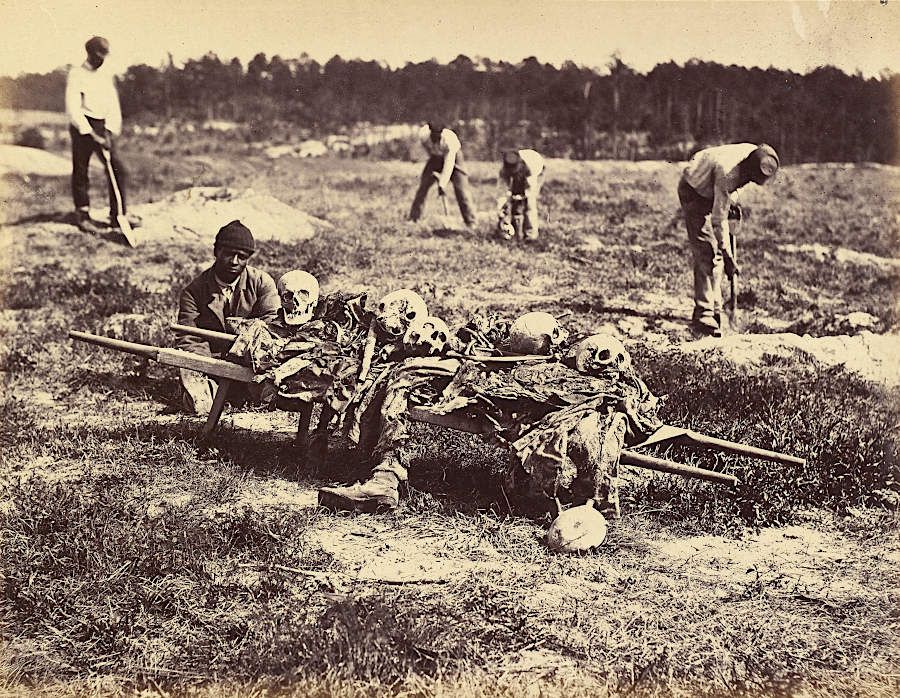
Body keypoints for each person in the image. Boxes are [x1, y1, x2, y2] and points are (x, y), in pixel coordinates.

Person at [175, 220, 280, 415]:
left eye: (241, 256)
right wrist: (215, 368)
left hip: (251, 363)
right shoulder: (194, 291)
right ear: (216, 252)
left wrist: (244, 357)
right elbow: (188, 338)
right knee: (197, 397)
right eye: (228, 254)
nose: (234, 261)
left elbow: (273, 325)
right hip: (211, 364)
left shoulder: (262, 283)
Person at [678, 143, 779, 336]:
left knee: (713, 254)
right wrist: (728, 256)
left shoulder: (755, 153)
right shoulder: (728, 172)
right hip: (694, 190)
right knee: (706, 250)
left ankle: (716, 308)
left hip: (714, 188)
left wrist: (731, 202)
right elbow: (718, 219)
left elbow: (734, 188)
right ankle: (704, 313)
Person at [65, 36, 128, 236]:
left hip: (103, 126)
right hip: (83, 126)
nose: (101, 60)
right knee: (82, 171)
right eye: (97, 56)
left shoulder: (106, 75)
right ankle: (83, 215)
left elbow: (113, 106)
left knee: (119, 169)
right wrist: (91, 134)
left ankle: (118, 215)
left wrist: (109, 132)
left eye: (104, 56)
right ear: (89, 53)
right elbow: (73, 108)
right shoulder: (76, 74)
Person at [408, 122, 477, 229]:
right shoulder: (423, 135)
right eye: (433, 134)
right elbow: (419, 150)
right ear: (430, 131)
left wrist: (442, 184)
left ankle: (471, 222)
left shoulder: (449, 140)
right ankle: (413, 219)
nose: (436, 136)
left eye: (438, 134)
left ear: (442, 132)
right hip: (435, 158)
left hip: (454, 159)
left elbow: (449, 164)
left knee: (462, 190)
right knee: (423, 187)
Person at [498, 149, 545, 240]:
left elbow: (530, 189)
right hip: (523, 173)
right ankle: (512, 231)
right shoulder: (504, 169)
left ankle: (531, 234)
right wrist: (501, 203)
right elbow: (502, 187)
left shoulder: (530, 167)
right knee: (512, 204)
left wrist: (522, 196)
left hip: (536, 173)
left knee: (529, 203)